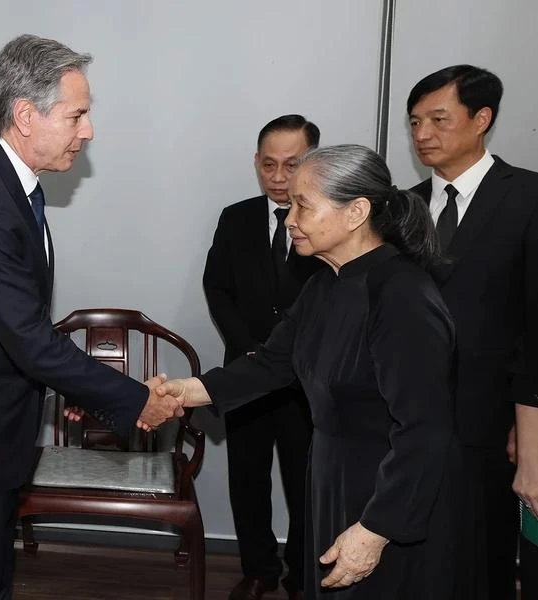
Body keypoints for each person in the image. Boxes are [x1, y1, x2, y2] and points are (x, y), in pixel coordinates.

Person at [0, 34, 182, 599]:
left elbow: (14, 324)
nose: (89, 130)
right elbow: (29, 339)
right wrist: (132, 399)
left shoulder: (16, 186)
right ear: (25, 115)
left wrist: (66, 384)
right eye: (77, 114)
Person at [152, 144, 465, 599]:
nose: (289, 217)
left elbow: (425, 430)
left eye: (303, 204)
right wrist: (179, 392)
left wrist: (376, 529)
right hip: (332, 478)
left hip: (387, 494)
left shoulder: (402, 295)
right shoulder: (325, 283)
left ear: (356, 211)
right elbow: (271, 364)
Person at [407, 64, 538, 600]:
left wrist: (526, 431)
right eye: (414, 121)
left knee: (483, 560)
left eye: (439, 119)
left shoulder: (528, 196)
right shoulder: (401, 205)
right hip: (409, 419)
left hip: (493, 424)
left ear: (481, 118)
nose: (422, 135)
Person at [202, 114, 322, 600]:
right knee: (246, 477)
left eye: (291, 165)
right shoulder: (236, 217)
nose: (277, 177)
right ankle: (258, 569)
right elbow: (217, 287)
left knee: (304, 481)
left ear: (311, 163)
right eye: (268, 164)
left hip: (304, 378)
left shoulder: (327, 218)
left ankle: (301, 571)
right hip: (247, 374)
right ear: (256, 162)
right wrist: (252, 350)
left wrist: (287, 354)